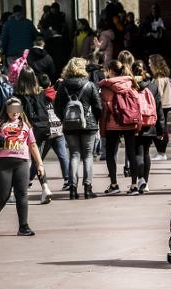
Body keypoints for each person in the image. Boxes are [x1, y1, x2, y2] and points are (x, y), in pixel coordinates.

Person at [0, 98, 45, 236]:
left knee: (22, 195)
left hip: (21, 163)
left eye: (17, 109)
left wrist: (40, 164)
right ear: (6, 110)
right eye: (12, 109)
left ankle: (23, 226)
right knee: (3, 196)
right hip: (3, 164)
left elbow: (33, 144)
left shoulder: (25, 125)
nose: (15, 113)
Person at [54, 58, 102, 199]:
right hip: (89, 125)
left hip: (69, 125)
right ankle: (87, 188)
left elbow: (57, 106)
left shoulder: (63, 86)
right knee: (88, 156)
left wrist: (64, 119)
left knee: (74, 155)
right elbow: (98, 106)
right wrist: (95, 119)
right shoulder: (90, 85)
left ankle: (73, 189)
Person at [14, 66, 53, 204]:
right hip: (44, 127)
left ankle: (20, 191)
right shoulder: (40, 92)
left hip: (28, 128)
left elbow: (14, 114)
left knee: (23, 161)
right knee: (37, 160)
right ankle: (45, 187)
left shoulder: (17, 95)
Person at [99, 60, 138, 195]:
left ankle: (114, 184)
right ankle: (134, 185)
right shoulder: (130, 83)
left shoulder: (106, 87)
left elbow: (104, 109)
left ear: (111, 71)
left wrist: (102, 129)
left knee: (110, 154)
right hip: (129, 122)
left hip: (113, 124)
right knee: (132, 153)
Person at [131, 59, 165, 194]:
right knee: (146, 152)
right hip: (149, 123)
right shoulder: (152, 87)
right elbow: (159, 109)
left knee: (137, 152)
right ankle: (146, 182)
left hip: (134, 124)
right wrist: (161, 129)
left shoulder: (130, 86)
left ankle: (140, 180)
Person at [38, 74, 70, 191]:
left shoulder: (39, 96)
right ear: (50, 83)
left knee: (38, 158)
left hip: (46, 130)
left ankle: (28, 180)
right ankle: (67, 180)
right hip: (58, 130)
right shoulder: (57, 94)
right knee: (63, 156)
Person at [149, 54, 171, 161]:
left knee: (160, 130)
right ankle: (162, 152)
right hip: (166, 105)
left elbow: (157, 95)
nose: (149, 65)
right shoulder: (165, 77)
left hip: (160, 106)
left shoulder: (158, 79)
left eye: (150, 62)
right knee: (163, 129)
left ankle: (161, 152)